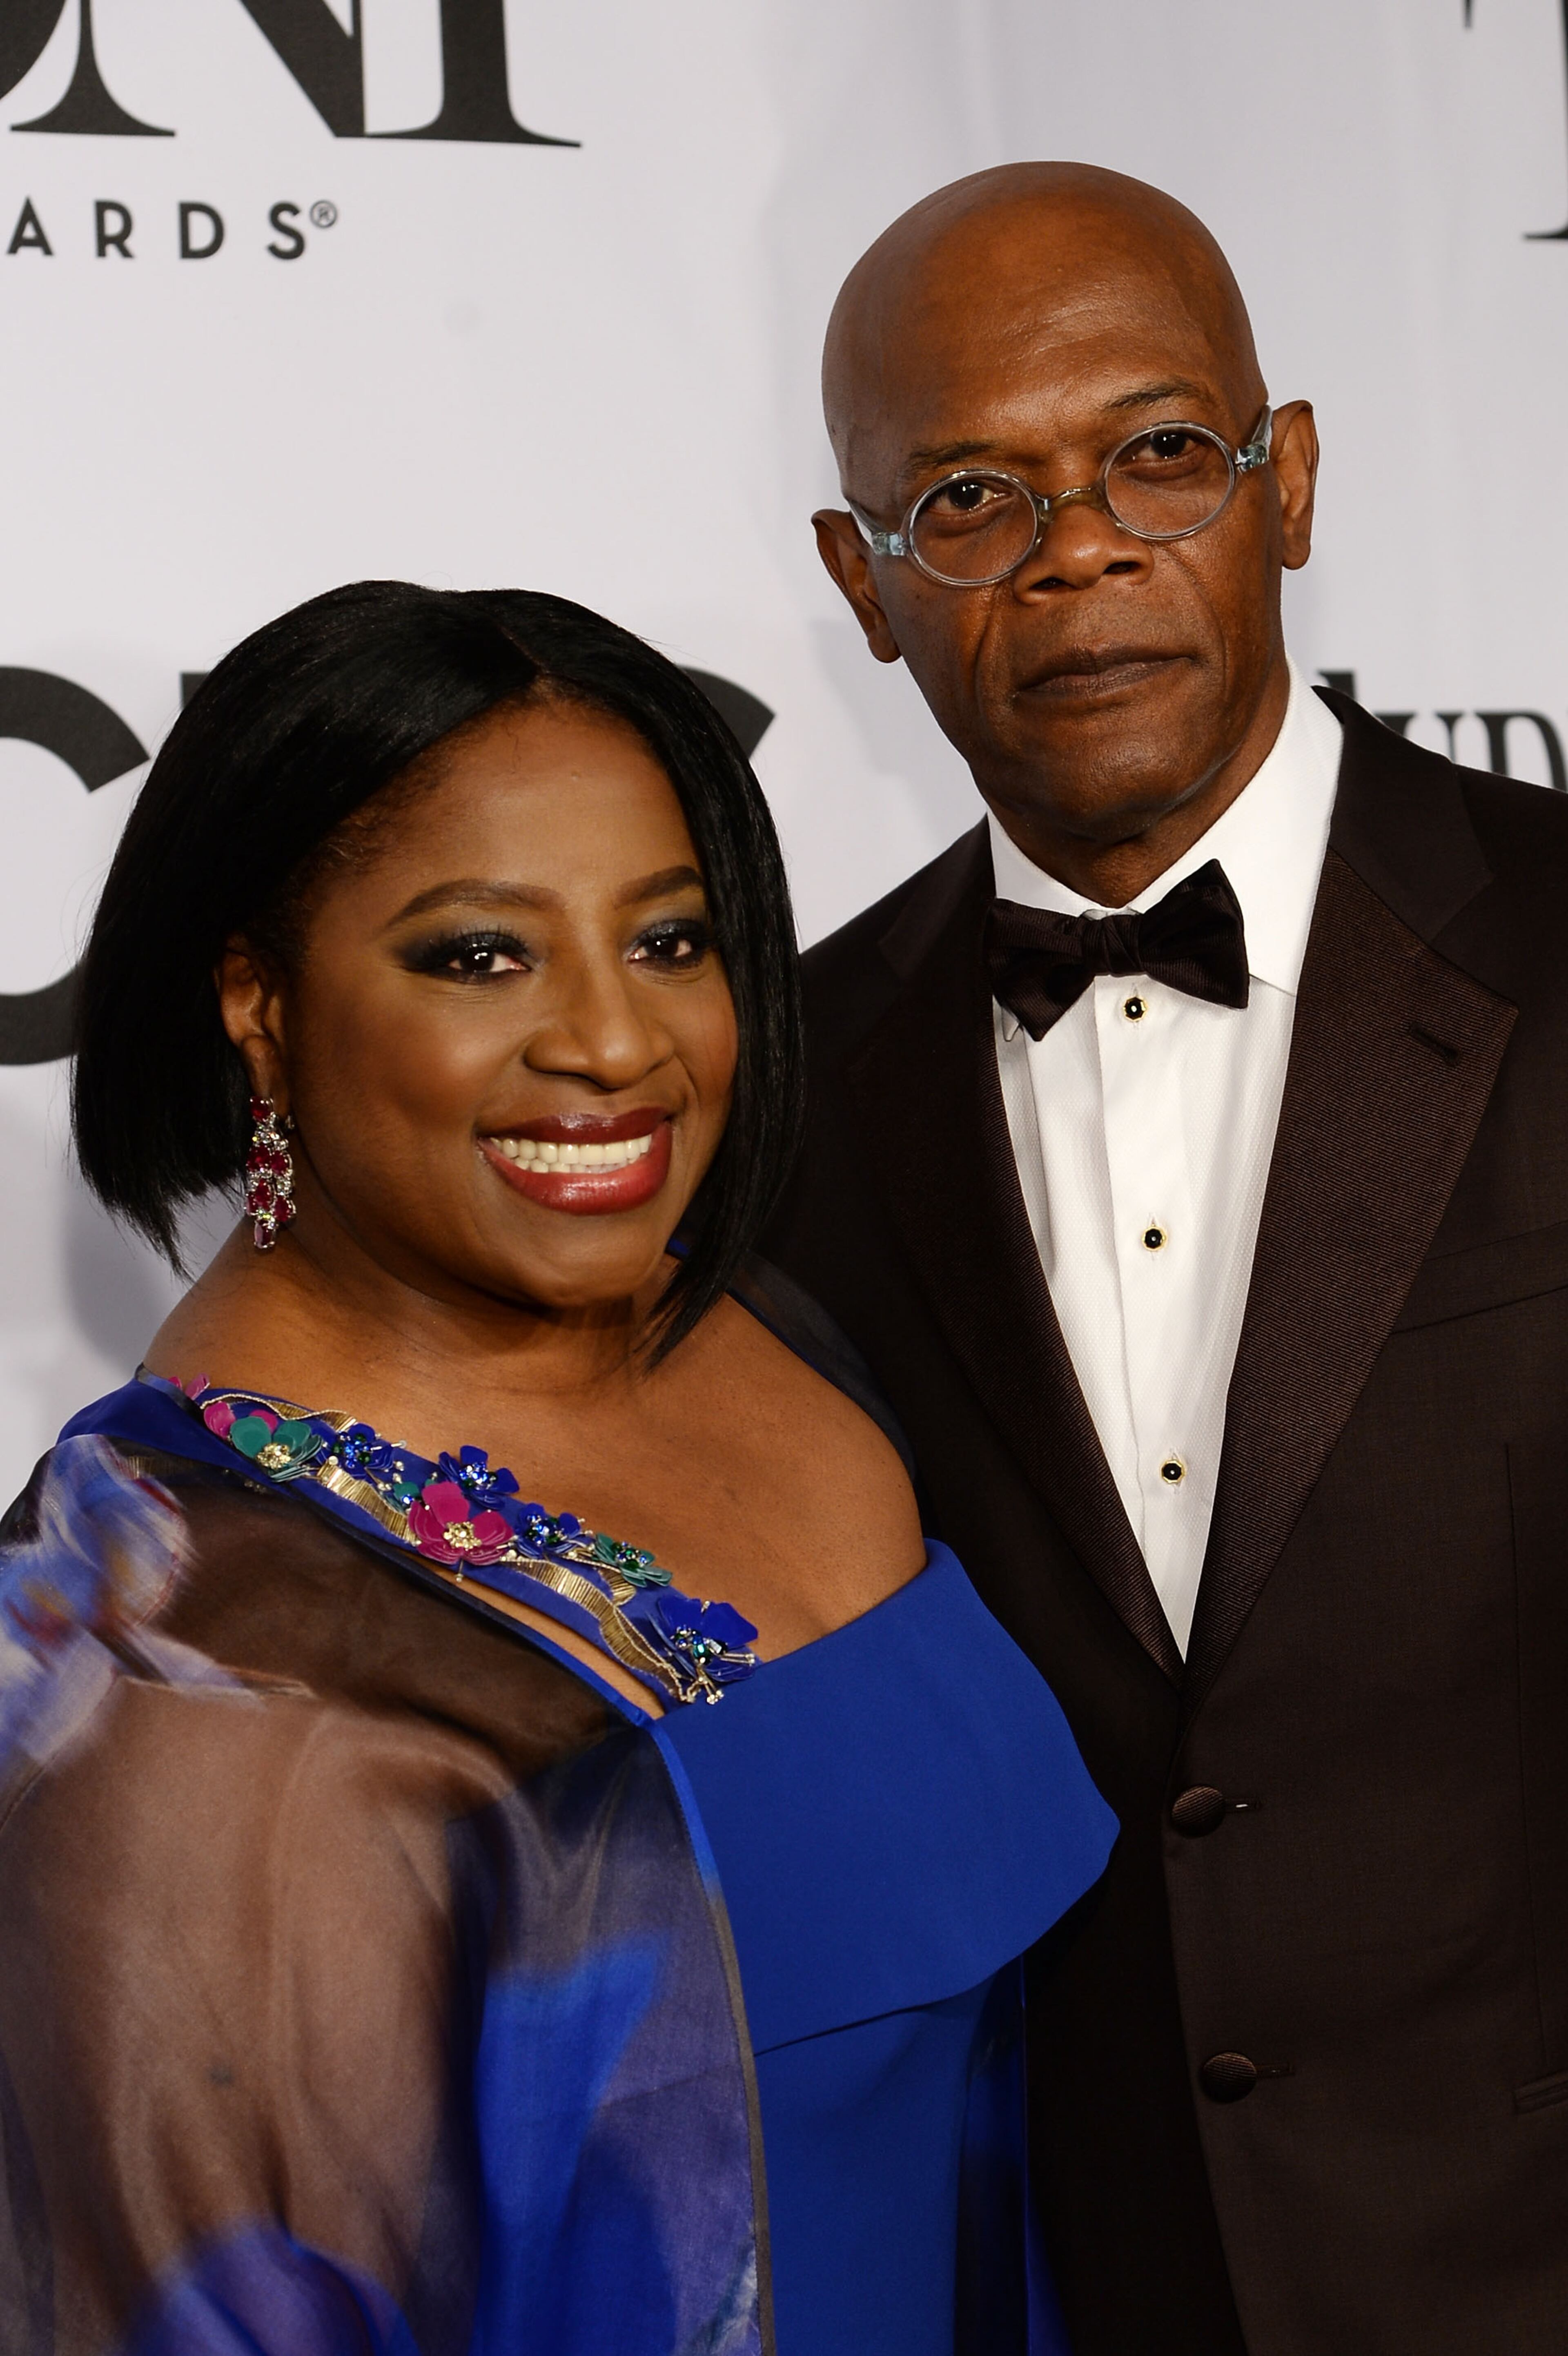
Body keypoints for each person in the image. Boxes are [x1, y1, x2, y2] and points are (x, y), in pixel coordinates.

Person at [0, 582, 1115, 2356]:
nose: (613, 1043)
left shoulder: (768, 1326)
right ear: (257, 1001)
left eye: (670, 941)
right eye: (478, 954)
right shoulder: (177, 1666)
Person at [764, 158, 1568, 2356]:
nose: (1080, 545)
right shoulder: (782, 1098)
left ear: (1286, 480)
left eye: (1159, 452)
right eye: (969, 498)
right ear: (862, 580)